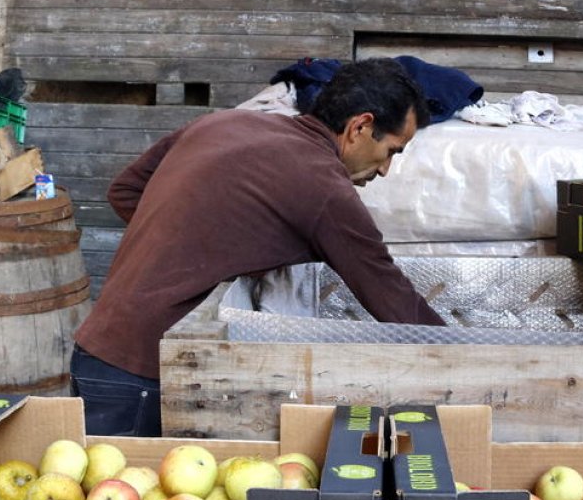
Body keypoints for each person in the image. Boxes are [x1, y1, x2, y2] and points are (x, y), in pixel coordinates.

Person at [70, 58, 446, 436]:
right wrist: (462, 350)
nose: (385, 170)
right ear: (360, 127)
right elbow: (391, 296)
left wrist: (203, 242)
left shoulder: (226, 122)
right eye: (394, 151)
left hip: (95, 349)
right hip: (142, 379)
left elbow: (125, 190)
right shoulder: (323, 186)